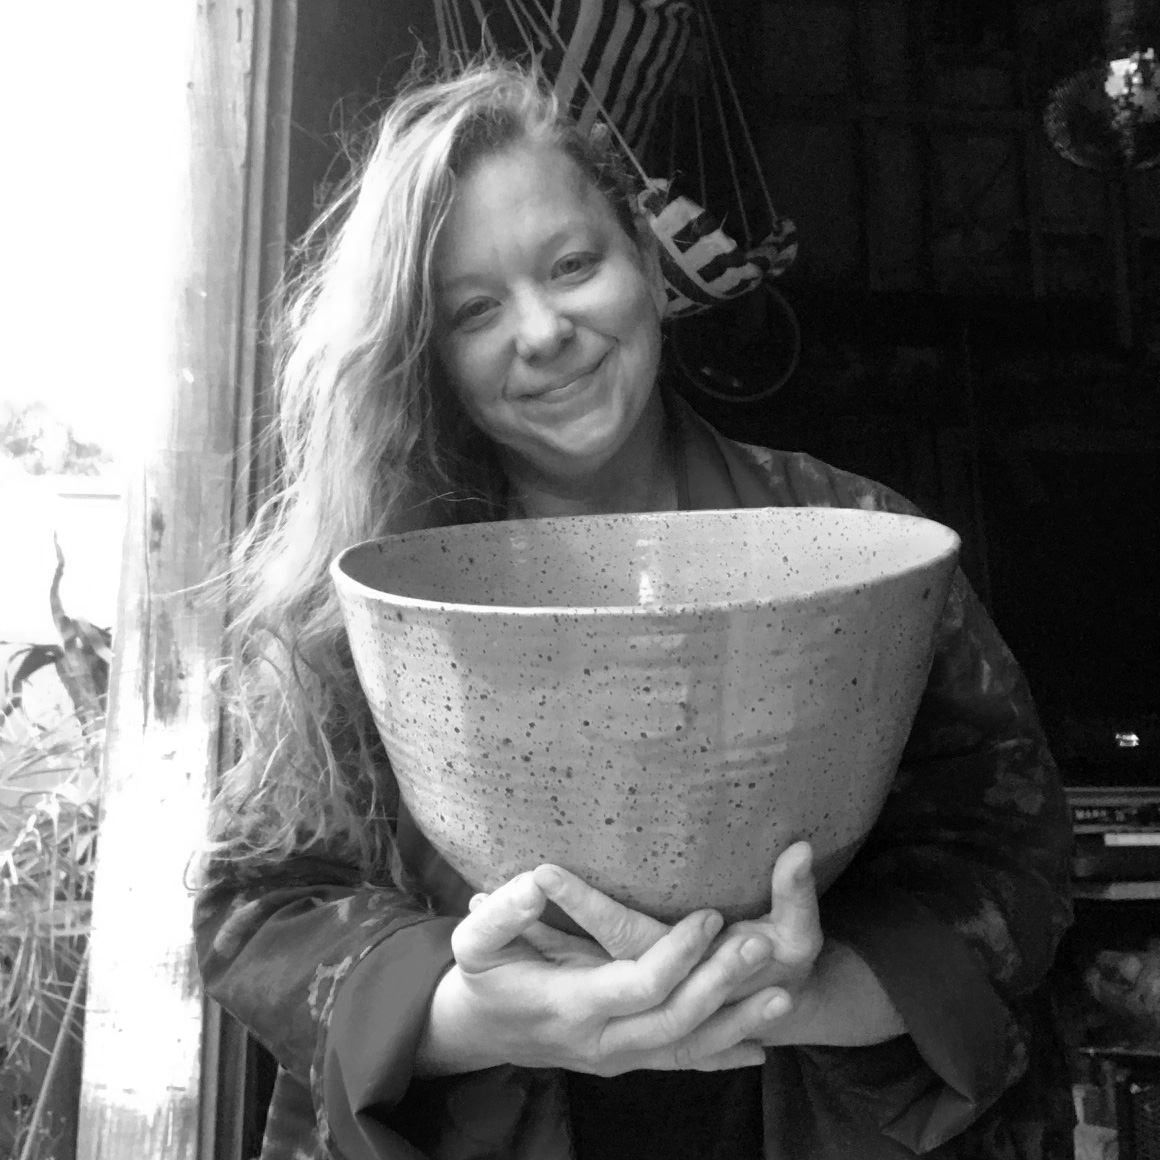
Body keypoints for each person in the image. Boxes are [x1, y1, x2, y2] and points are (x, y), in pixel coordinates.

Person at [194, 58, 1076, 1160]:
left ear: (645, 264)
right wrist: (477, 1014)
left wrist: (809, 994)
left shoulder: (851, 533)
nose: (542, 330)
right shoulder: (361, 599)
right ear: (429, 352)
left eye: (571, 264)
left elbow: (1013, 849)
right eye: (473, 309)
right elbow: (255, 905)